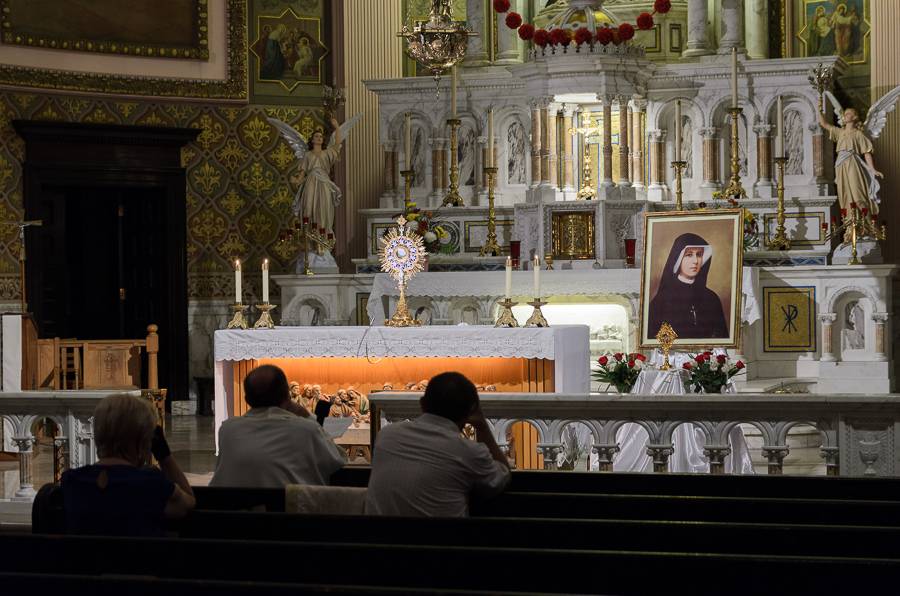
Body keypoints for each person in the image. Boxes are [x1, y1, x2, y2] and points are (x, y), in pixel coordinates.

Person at [365, 372, 511, 517]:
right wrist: (482, 426)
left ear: (422, 404)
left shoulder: (386, 436)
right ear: (471, 411)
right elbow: (502, 477)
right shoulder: (467, 452)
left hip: (376, 532)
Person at [61, 393, 195, 536]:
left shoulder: (71, 481)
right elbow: (188, 503)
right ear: (144, 440)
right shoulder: (151, 482)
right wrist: (164, 455)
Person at [211, 365, 346, 487]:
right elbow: (338, 460)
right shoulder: (307, 430)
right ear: (287, 396)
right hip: (291, 505)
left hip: (236, 506)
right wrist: (306, 415)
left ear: (247, 400)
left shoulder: (228, 430)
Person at [817, 106, 882, 240]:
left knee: (858, 195)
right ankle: (850, 228)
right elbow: (824, 124)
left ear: (854, 117)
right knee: (845, 197)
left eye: (848, 114)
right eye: (845, 114)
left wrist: (873, 169)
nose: (845, 115)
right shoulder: (840, 132)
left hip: (853, 164)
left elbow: (867, 152)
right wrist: (818, 108)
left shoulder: (858, 134)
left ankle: (867, 227)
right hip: (840, 166)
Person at [648, 233, 729, 340]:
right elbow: (656, 340)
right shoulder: (662, 300)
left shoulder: (712, 298)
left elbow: (721, 338)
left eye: (699, 254)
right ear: (678, 259)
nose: (695, 261)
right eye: (689, 255)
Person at [291, 117, 342, 236]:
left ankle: (323, 238)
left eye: (321, 136)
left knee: (324, 209)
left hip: (324, 182)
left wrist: (337, 127)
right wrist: (296, 180)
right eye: (316, 136)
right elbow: (302, 174)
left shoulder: (327, 153)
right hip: (311, 182)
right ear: (312, 140)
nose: (319, 138)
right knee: (308, 208)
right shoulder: (307, 155)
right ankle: (309, 237)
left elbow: (337, 144)